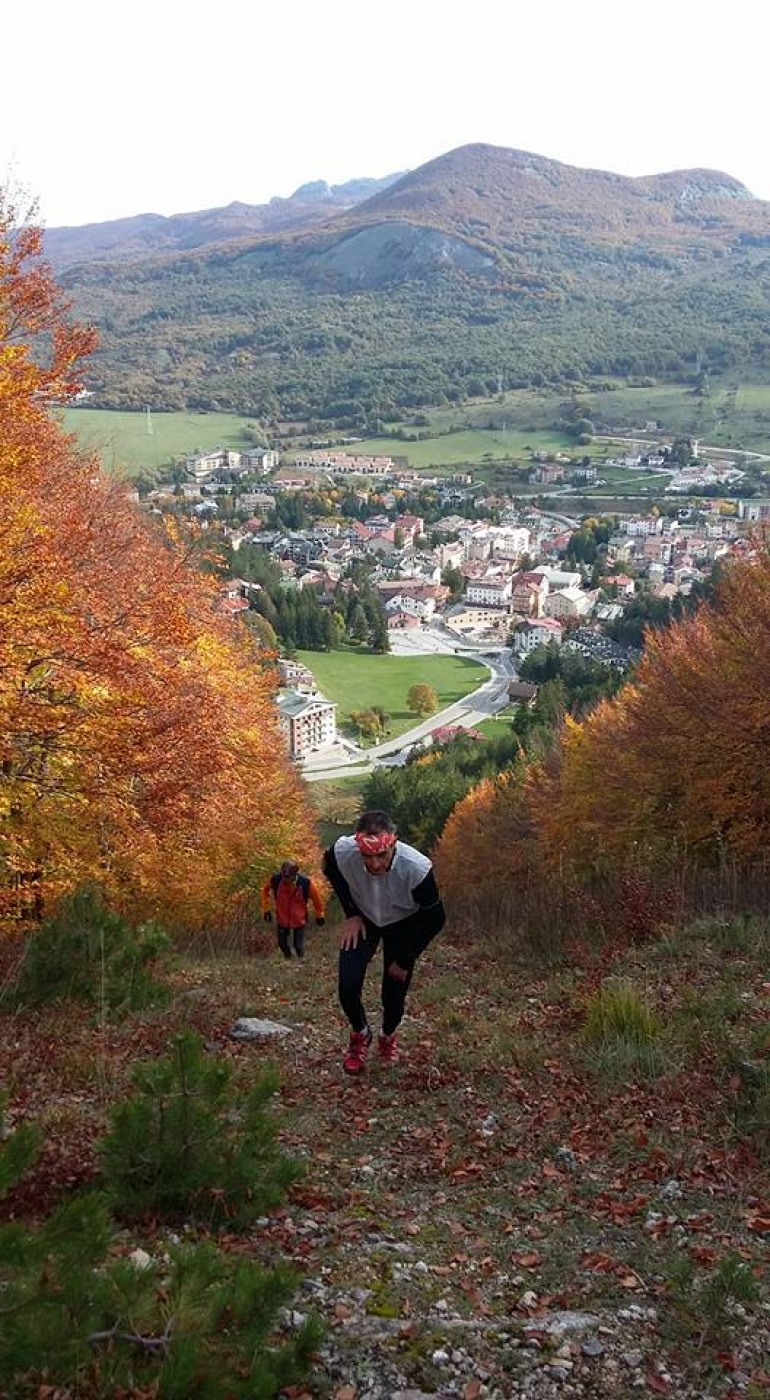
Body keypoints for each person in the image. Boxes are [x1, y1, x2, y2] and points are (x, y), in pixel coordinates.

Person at [322, 810, 445, 1074]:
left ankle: (387, 1036)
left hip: (404, 922)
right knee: (348, 983)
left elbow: (435, 917)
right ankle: (360, 1033)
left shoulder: (416, 866)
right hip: (365, 917)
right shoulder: (344, 852)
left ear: (393, 844)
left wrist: (406, 958)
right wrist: (351, 913)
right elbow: (329, 867)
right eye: (367, 856)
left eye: (382, 855)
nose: (375, 864)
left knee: (393, 995)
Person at [261, 860, 325, 959]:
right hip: (282, 918)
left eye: (288, 876)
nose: (285, 879)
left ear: (294, 874)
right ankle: (288, 958)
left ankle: (301, 962)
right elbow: (265, 891)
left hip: (299, 919)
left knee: (298, 946)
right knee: (282, 945)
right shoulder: (276, 880)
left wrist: (320, 914)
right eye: (283, 875)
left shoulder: (305, 883)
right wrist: (266, 909)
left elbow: (317, 899)